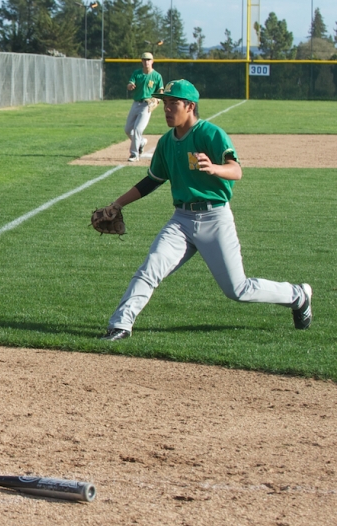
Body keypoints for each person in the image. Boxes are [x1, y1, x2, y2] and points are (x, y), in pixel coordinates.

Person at [99, 79, 312, 342]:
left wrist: (215, 169)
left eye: (173, 103)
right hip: (181, 220)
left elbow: (236, 170)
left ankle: (297, 295)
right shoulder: (166, 143)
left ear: (190, 106)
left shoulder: (211, 134)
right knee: (150, 268)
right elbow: (152, 181)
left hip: (215, 218)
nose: (166, 108)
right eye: (165, 103)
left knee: (238, 289)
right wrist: (118, 204)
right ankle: (120, 324)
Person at [124, 52, 163, 162]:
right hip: (136, 103)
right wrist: (130, 86)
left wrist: (157, 99)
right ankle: (141, 142)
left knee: (138, 129)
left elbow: (160, 90)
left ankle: (134, 154)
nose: (146, 62)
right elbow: (129, 84)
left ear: (152, 61)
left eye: (148, 59)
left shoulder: (157, 76)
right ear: (142, 61)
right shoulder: (137, 73)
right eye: (144, 60)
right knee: (128, 129)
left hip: (147, 105)